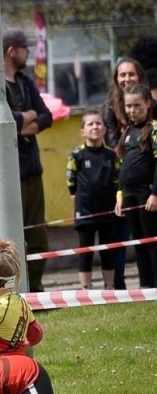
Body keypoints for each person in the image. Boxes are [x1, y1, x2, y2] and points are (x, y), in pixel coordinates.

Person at [0, 28, 52, 290]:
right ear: (11, 51)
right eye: (24, 49)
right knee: (4, 239)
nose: (28, 53)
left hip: (31, 171)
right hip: (4, 175)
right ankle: (4, 288)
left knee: (37, 237)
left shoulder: (25, 82)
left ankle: (35, 288)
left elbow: (45, 115)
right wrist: (25, 117)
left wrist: (21, 124)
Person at [67, 112, 125, 290]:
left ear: (105, 129)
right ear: (82, 131)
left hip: (107, 209)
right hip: (85, 210)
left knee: (108, 251)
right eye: (90, 124)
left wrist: (118, 199)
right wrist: (73, 193)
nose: (95, 127)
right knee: (85, 251)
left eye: (98, 124)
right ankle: (86, 289)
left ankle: (109, 287)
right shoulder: (76, 154)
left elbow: (118, 179)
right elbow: (70, 178)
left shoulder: (111, 155)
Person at [117, 83, 157, 289]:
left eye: (137, 106)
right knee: (138, 242)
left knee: (152, 242)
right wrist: (120, 195)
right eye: (128, 106)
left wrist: (155, 193)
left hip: (147, 195)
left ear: (148, 103)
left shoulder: (154, 129)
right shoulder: (128, 130)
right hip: (129, 194)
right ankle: (145, 286)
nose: (132, 110)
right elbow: (123, 166)